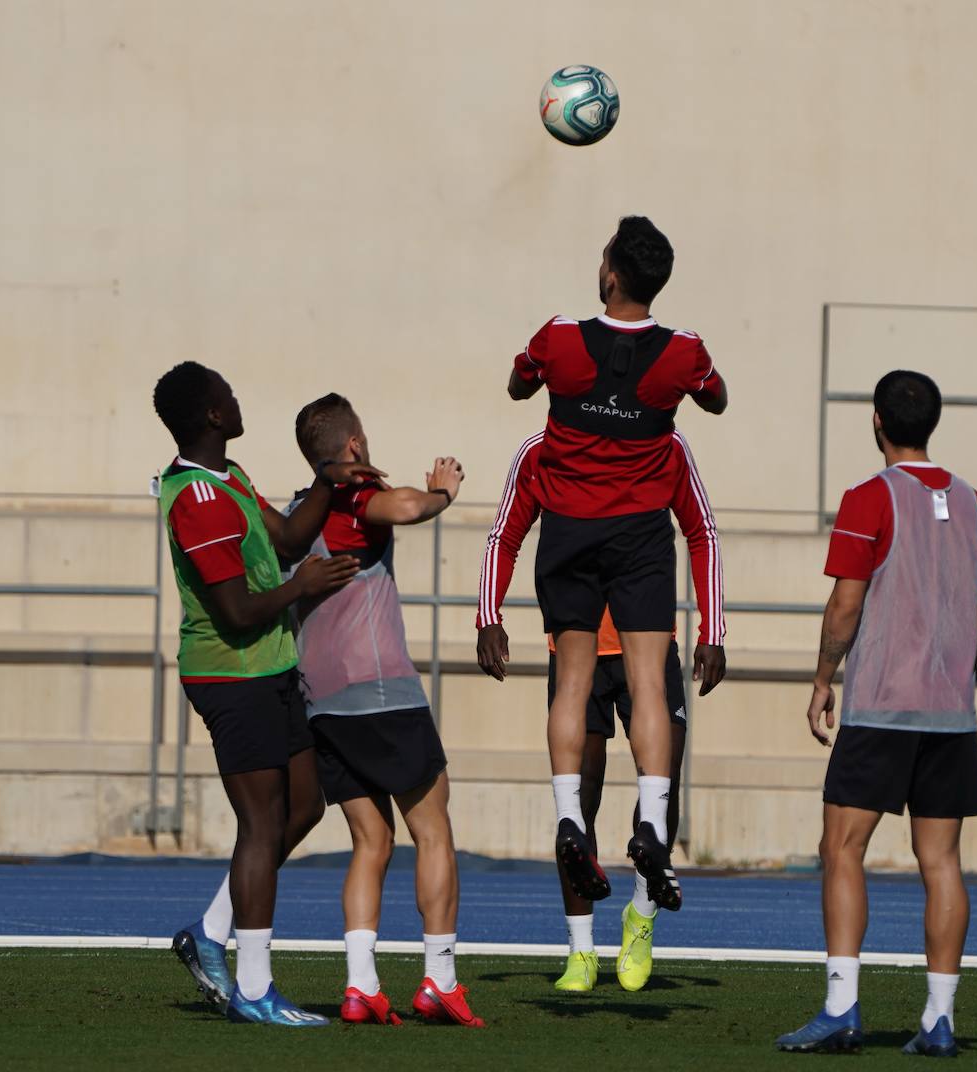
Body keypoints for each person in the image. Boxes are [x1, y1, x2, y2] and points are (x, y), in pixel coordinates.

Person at [776, 370, 977, 1057]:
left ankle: (843, 1007)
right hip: (950, 716)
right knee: (942, 862)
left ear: (877, 421)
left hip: (879, 707)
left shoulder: (868, 498)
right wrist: (964, 679)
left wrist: (822, 678)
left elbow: (846, 603)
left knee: (842, 848)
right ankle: (939, 1019)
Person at [506, 215, 728, 914]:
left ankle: (571, 817)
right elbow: (717, 398)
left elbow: (517, 384)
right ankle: (654, 828)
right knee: (650, 690)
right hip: (638, 533)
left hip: (570, 529)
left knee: (571, 683)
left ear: (609, 274)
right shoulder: (683, 350)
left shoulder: (560, 337)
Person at [154, 362, 379, 1027]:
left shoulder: (233, 477)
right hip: (230, 672)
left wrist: (329, 481)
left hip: (271, 667)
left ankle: (211, 931)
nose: (235, 395)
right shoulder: (195, 497)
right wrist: (302, 587)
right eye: (226, 391)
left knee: (303, 805)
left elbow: (288, 537)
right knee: (260, 822)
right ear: (212, 415)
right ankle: (253, 986)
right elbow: (236, 610)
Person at [475, 428, 725, 992]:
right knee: (577, 800)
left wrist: (715, 626)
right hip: (577, 653)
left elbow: (701, 531)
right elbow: (504, 535)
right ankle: (582, 949)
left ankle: (640, 919)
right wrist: (488, 614)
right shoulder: (541, 450)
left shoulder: (659, 444)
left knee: (661, 791)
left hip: (649, 650)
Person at [288, 393, 483, 1029]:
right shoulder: (352, 498)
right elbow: (398, 506)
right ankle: (440, 980)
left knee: (370, 840)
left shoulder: (296, 510)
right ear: (351, 447)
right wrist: (442, 493)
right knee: (434, 829)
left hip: (321, 702)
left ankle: (361, 986)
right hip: (380, 694)